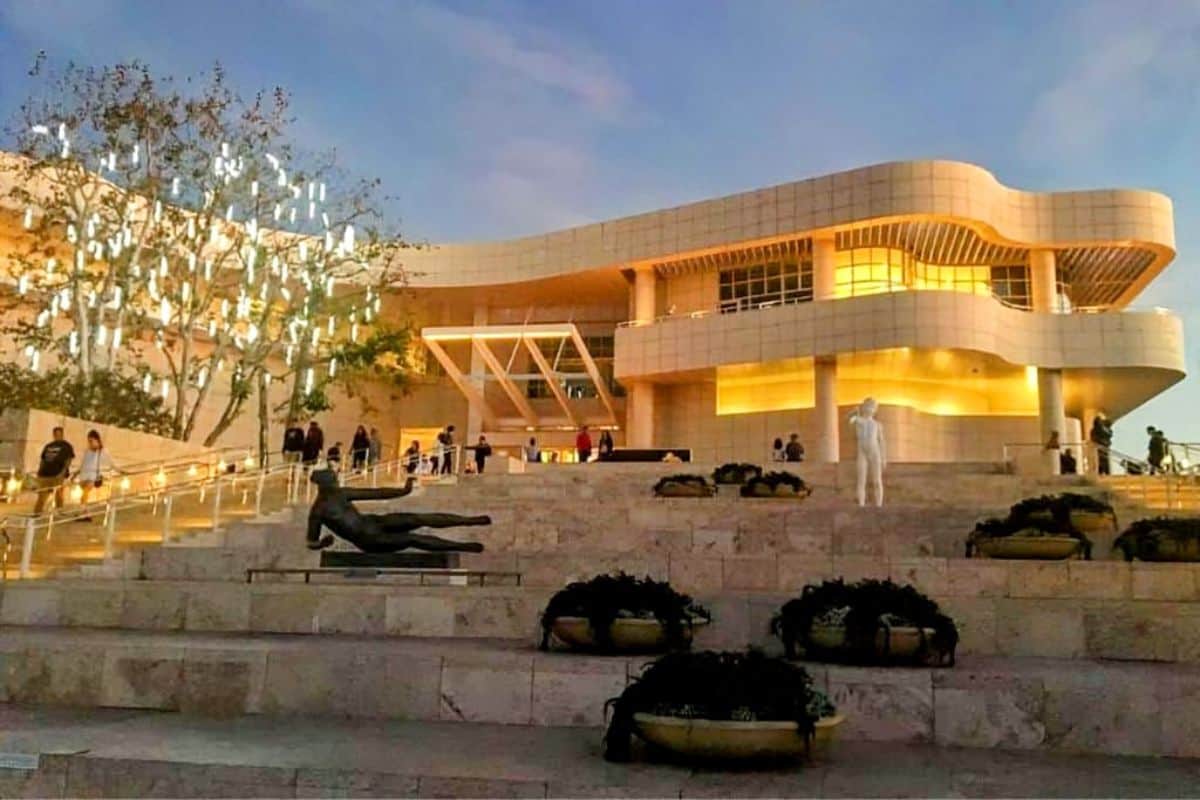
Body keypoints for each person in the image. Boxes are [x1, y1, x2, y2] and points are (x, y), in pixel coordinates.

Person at [74, 429, 116, 521]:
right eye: (89, 441)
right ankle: (87, 514)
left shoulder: (101, 450)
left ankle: (81, 514)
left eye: (91, 440)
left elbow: (110, 462)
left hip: (92, 476)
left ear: (96, 440)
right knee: (84, 496)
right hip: (83, 475)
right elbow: (83, 463)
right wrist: (76, 473)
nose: (90, 443)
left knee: (84, 496)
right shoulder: (87, 451)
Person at [33, 427, 75, 515]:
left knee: (58, 494)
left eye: (59, 434)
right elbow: (43, 460)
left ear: (62, 434)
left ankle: (59, 511)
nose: (57, 436)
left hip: (57, 474)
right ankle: (37, 513)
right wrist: (39, 472)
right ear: (54, 435)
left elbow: (68, 460)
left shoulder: (66, 446)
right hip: (44, 474)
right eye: (56, 434)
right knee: (42, 495)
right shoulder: (48, 446)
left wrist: (63, 472)